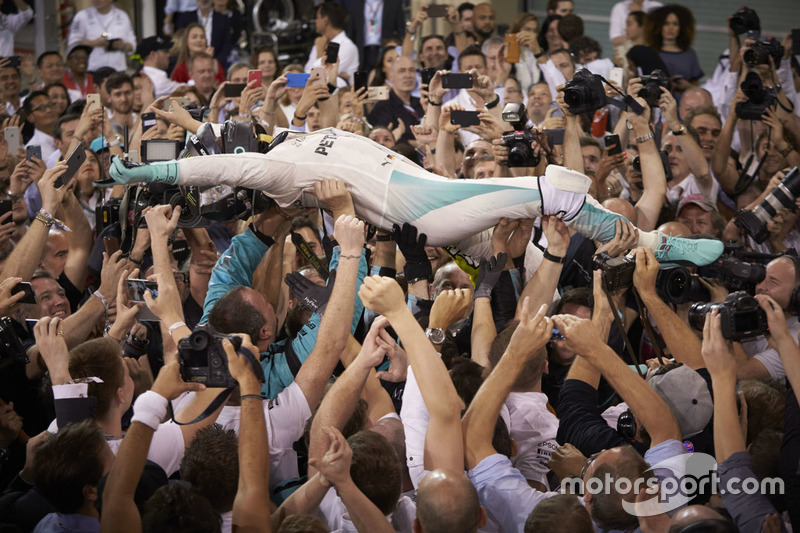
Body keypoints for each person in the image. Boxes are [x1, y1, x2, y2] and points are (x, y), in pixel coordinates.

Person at [107, 127, 724, 268]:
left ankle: (629, 257)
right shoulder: (278, 169)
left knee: (531, 254)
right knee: (556, 185)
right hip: (421, 213)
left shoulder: (294, 138)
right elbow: (225, 162)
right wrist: (141, 174)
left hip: (434, 198)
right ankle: (649, 245)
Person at [643, 4, 703, 93]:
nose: (671, 28)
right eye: (666, 24)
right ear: (658, 27)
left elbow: (696, 84)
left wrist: (688, 86)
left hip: (683, 101)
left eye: (675, 24)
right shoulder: (649, 52)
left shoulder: (689, 53)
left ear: (681, 28)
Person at [66, 0, 135, 72]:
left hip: (118, 70)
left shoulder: (122, 16)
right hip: (92, 70)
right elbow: (72, 43)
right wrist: (93, 43)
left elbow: (132, 45)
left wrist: (123, 46)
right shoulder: (82, 16)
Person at [367, 57, 422, 145]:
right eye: (402, 71)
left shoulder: (422, 103)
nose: (408, 75)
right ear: (390, 77)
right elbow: (384, 142)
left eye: (411, 70)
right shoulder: (383, 107)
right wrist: (419, 144)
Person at [305, 2, 359, 82]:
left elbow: (319, 76)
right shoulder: (320, 41)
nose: (315, 21)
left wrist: (320, 50)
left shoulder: (347, 46)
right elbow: (306, 72)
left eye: (317, 17)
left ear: (325, 20)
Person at [345, 0, 404, 73]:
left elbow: (401, 30)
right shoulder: (356, 3)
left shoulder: (393, 3)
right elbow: (350, 31)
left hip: (384, 50)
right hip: (362, 51)